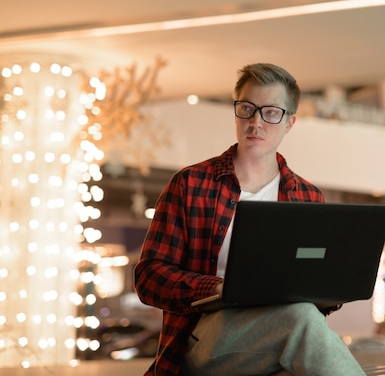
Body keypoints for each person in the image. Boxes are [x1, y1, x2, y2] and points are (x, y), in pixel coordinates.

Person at [134, 63, 366, 376]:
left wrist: (328, 288)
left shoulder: (308, 197)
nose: (256, 122)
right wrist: (218, 288)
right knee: (299, 318)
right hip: (203, 339)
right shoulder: (190, 184)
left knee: (300, 315)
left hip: (281, 334)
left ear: (290, 122)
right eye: (246, 109)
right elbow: (148, 277)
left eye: (271, 112)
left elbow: (319, 292)